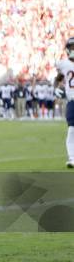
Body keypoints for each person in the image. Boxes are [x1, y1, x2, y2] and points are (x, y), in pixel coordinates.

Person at [54, 36, 74, 168]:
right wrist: (56, 88)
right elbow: (58, 78)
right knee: (71, 129)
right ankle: (72, 158)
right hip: (72, 101)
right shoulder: (64, 64)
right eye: (71, 48)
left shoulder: (63, 64)